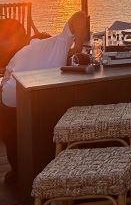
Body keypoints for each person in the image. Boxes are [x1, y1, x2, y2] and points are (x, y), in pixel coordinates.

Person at [1, 11, 90, 183]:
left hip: (14, 101)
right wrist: (77, 47)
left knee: (8, 124)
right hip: (47, 104)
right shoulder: (56, 44)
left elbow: (5, 87)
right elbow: (80, 16)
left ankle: (17, 171)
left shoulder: (18, 55)